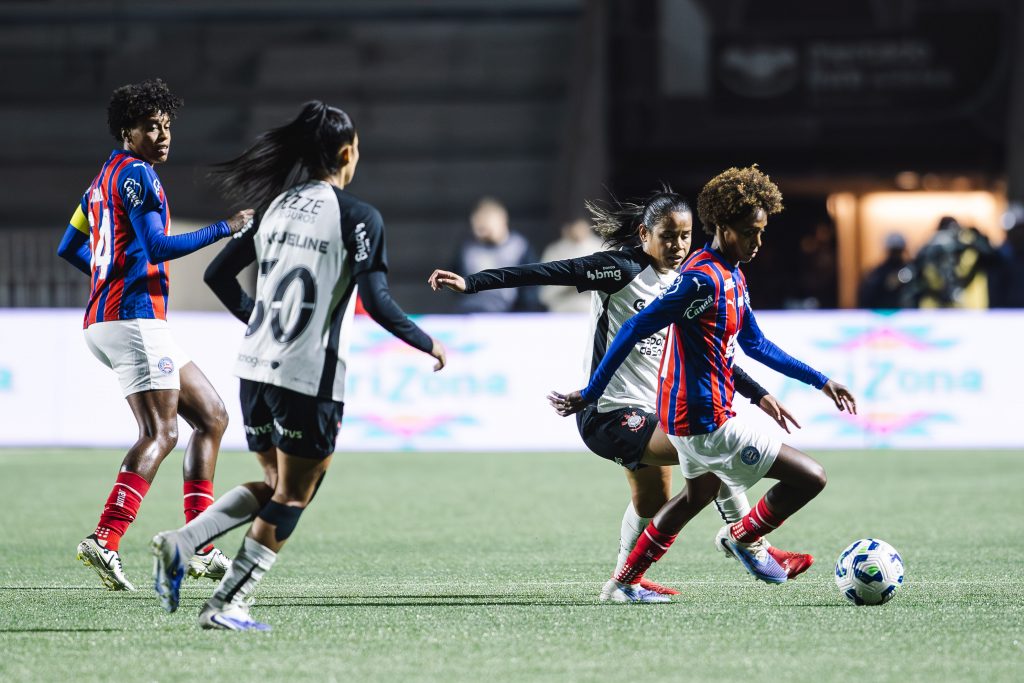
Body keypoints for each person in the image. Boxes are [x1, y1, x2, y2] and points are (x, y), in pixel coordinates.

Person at [429, 188, 811, 604]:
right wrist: (473, 283)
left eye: (684, 236)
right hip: (608, 413)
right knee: (709, 445)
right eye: (667, 235)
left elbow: (711, 356)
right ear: (645, 234)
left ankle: (623, 584)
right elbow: (544, 271)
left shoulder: (689, 283)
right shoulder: (619, 270)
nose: (677, 245)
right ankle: (751, 545)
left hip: (653, 413)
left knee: (653, 499)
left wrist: (756, 394)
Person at [150, 101, 447, 631]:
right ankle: (225, 604)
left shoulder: (273, 207)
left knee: (274, 479)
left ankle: (184, 541)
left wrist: (257, 319)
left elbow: (219, 275)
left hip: (255, 367)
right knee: (295, 492)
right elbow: (376, 301)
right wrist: (426, 341)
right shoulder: (359, 216)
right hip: (309, 376)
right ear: (346, 152)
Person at [548, 166, 857, 597]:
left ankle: (623, 582)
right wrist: (592, 392)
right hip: (705, 419)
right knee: (812, 477)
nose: (758, 242)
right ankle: (745, 538)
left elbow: (757, 345)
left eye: (762, 232)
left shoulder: (730, 275)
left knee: (695, 497)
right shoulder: (700, 280)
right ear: (723, 227)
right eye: (750, 232)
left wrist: (821, 381)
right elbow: (633, 328)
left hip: (691, 418)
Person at [56, 78, 252, 591]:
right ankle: (105, 539)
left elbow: (68, 245)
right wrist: (225, 227)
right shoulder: (139, 175)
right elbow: (159, 246)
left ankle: (201, 544)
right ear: (128, 130)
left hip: (113, 318)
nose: (162, 136)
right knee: (161, 433)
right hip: (133, 318)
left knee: (212, 416)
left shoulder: (100, 181)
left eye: (166, 127)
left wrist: (107, 279)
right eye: (151, 127)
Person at [449, 197, 543, 313]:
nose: (481, 232)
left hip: (508, 316)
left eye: (486, 225)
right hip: (470, 313)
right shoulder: (468, 249)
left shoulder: (519, 247)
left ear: (502, 219)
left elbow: (529, 293)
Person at [537, 217, 605, 312]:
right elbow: (545, 291)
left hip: (592, 306)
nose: (578, 232)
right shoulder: (555, 251)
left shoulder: (601, 248)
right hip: (562, 307)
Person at [857, 232, 913, 309]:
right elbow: (867, 297)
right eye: (894, 251)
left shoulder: (910, 270)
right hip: (882, 314)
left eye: (898, 251)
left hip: (907, 314)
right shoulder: (877, 273)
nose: (895, 255)